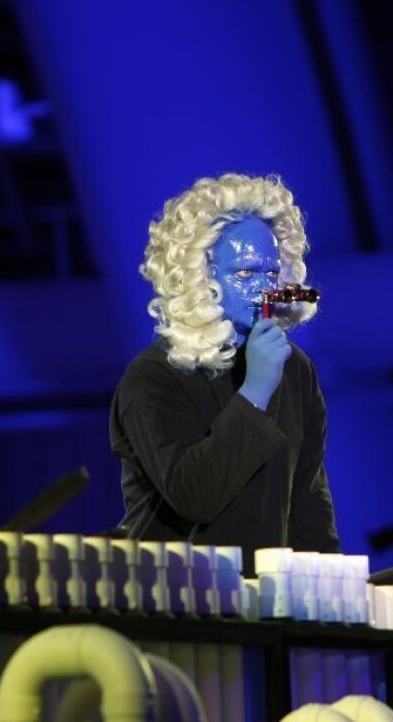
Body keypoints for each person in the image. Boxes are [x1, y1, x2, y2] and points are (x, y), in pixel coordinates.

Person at [109, 173, 339, 567]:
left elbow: (307, 502)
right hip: (176, 600)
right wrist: (254, 392)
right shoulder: (154, 375)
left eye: (271, 274)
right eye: (246, 274)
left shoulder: (296, 370)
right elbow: (195, 496)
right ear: (201, 275)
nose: (263, 291)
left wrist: (331, 593)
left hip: (267, 602)